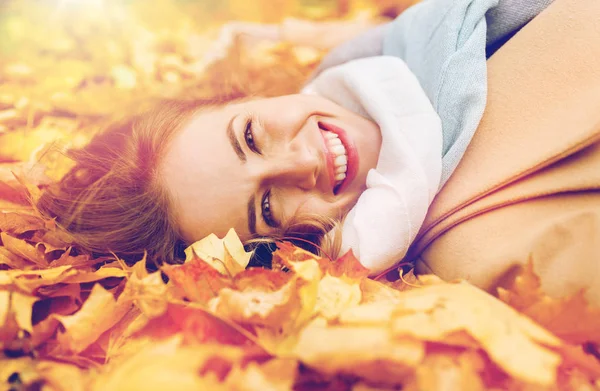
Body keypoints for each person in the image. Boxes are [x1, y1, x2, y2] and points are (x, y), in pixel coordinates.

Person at [38, 0, 600, 304]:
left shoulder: (410, 43)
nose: (299, 164)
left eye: (252, 136)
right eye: (266, 209)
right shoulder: (485, 251)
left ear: (251, 95)